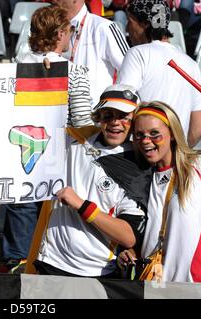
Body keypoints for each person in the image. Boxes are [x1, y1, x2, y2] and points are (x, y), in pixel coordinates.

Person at [0, 5, 94, 273]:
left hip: (20, 162)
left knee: (18, 255)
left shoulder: (12, 69)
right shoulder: (74, 72)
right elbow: (83, 125)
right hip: (61, 163)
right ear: (60, 33)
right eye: (69, 31)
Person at [34, 84, 149, 277]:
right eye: (108, 115)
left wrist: (80, 205)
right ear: (98, 117)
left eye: (123, 116)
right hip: (50, 261)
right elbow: (36, 120)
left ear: (134, 121)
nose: (115, 122)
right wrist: (44, 77)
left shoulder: (136, 168)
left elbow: (128, 237)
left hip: (96, 272)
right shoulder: (73, 141)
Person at [118, 101, 201, 283]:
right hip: (157, 288)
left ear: (172, 133)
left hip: (198, 290)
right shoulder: (140, 178)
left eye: (154, 134)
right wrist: (133, 252)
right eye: (139, 135)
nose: (146, 141)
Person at [117, 0, 201, 147]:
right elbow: (198, 130)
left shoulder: (137, 54)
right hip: (175, 162)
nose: (127, 28)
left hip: (141, 158)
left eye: (130, 21)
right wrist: (176, 154)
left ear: (145, 23)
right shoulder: (191, 64)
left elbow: (122, 109)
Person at [52, 0, 130, 106]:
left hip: (94, 117)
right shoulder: (48, 28)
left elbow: (130, 72)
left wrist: (110, 108)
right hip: (59, 113)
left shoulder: (103, 28)